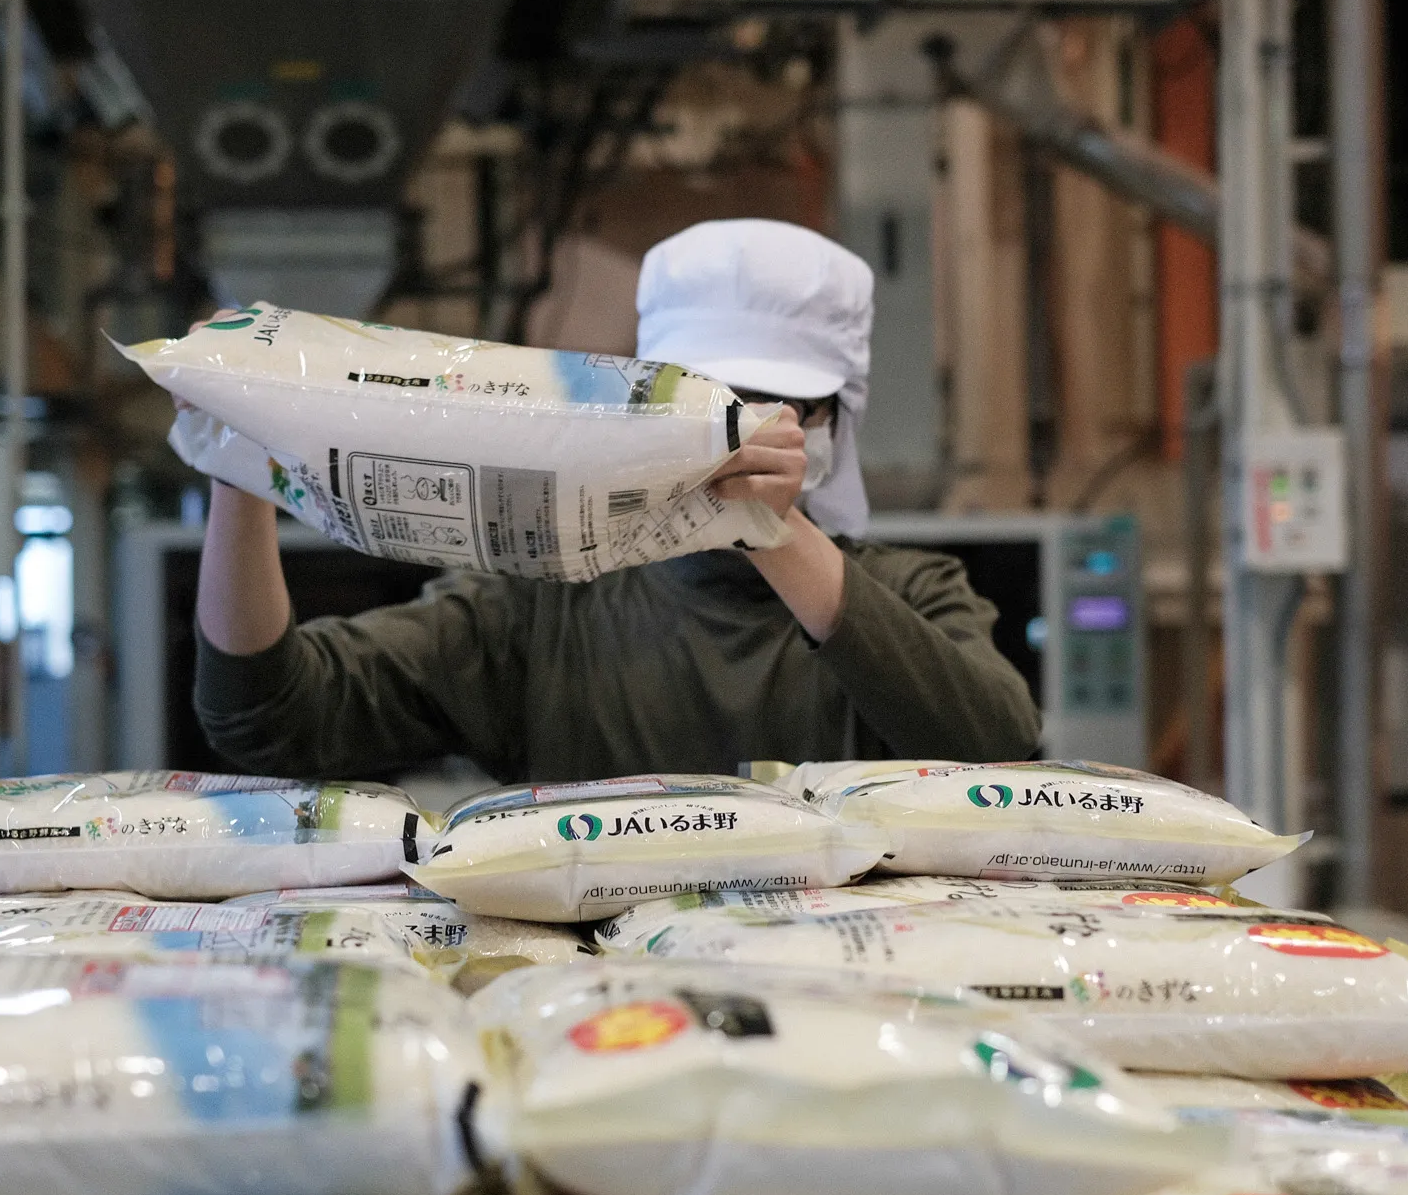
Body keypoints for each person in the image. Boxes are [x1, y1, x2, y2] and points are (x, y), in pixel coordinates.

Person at [192, 217, 1040, 783]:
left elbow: (996, 751)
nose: (732, 430)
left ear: (830, 426)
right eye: (704, 396)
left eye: (771, 405)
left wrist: (768, 528)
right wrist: (241, 475)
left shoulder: (914, 595)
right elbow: (270, 717)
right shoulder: (547, 607)